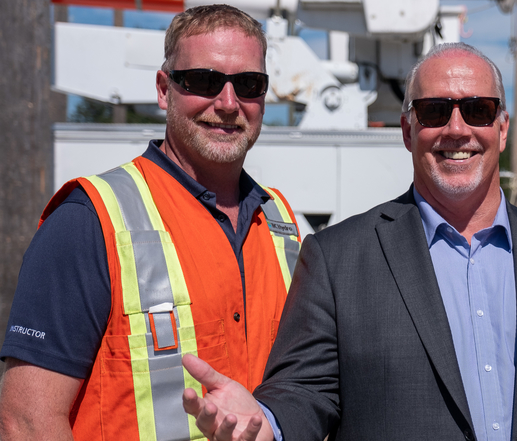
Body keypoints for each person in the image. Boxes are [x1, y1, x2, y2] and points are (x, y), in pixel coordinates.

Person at [179, 42, 517, 441]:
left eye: (476, 110)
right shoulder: (337, 258)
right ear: (407, 130)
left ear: (501, 127)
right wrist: (266, 424)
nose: (456, 129)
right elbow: (306, 392)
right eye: (433, 111)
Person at [0, 5, 301, 441]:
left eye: (248, 84)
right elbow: (26, 422)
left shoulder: (281, 223)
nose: (228, 103)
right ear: (164, 90)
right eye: (203, 80)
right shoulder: (90, 220)